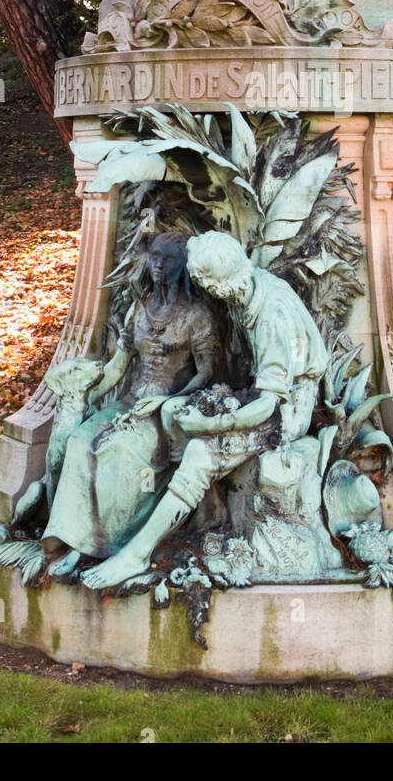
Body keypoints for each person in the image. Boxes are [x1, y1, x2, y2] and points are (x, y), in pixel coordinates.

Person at [81, 230, 329, 589]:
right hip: (256, 396)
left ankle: (137, 554)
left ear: (220, 284)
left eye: (205, 283)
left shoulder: (270, 316)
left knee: (199, 450)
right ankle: (198, 514)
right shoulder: (254, 285)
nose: (205, 291)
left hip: (285, 410)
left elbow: (268, 406)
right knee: (174, 411)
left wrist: (215, 424)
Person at [40, 232, 218, 576]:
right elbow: (119, 365)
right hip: (129, 401)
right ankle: (75, 541)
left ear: (183, 266)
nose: (158, 265)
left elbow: (206, 373)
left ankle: (110, 546)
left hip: (165, 412)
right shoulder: (139, 308)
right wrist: (84, 394)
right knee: (79, 441)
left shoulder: (197, 315)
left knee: (119, 451)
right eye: (154, 257)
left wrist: (167, 401)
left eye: (167, 259)